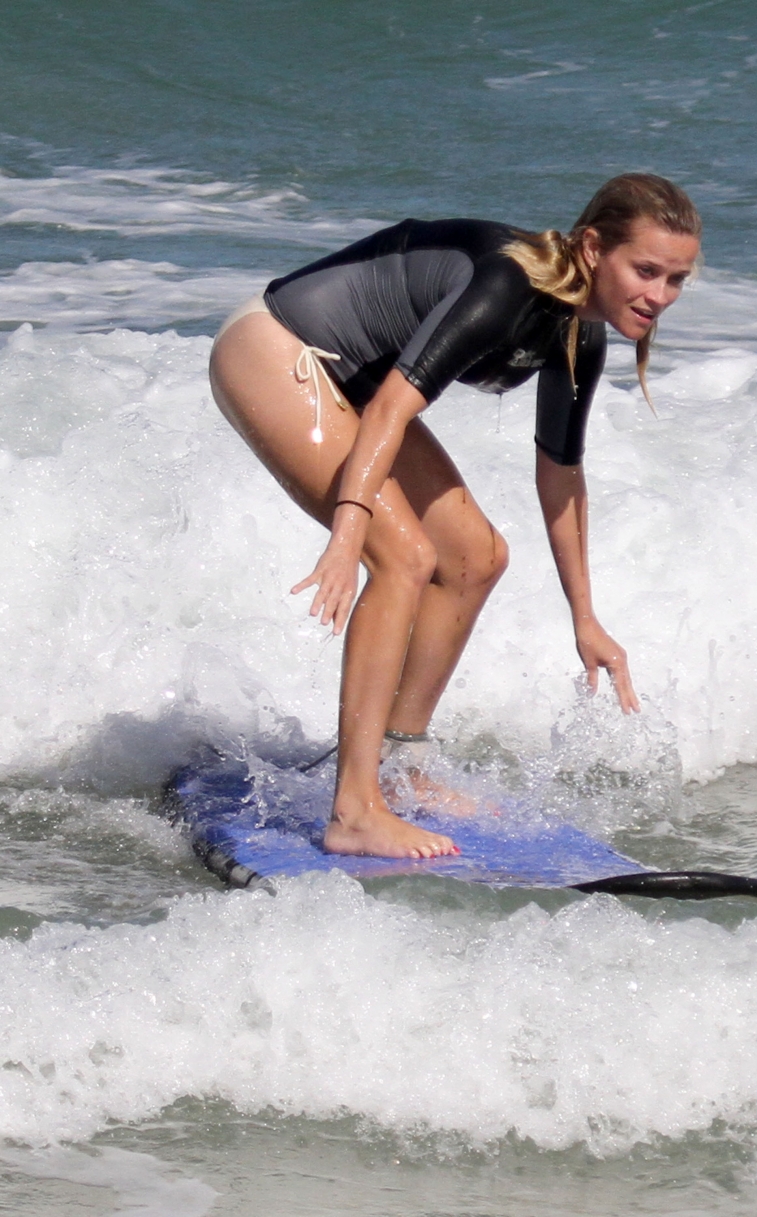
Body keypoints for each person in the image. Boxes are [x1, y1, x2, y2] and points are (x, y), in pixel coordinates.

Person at [209, 172, 701, 861]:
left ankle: (402, 763)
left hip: (353, 385)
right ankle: (354, 808)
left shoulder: (579, 335)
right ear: (593, 248)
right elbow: (391, 409)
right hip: (278, 349)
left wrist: (584, 616)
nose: (660, 295)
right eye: (646, 270)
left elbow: (560, 476)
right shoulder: (509, 287)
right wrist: (351, 532)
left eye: (676, 278)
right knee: (404, 556)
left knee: (476, 557)